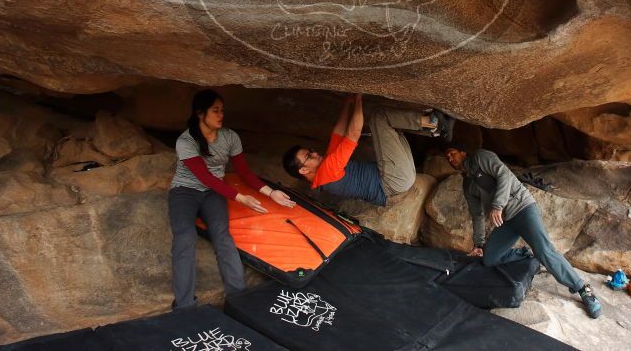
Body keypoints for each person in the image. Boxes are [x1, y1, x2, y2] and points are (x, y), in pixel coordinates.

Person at [443, 143, 602, 319]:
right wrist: (478, 243)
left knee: (545, 251)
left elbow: (504, 174)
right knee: (489, 259)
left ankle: (583, 289)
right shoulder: (467, 184)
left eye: (452, 153)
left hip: (523, 208)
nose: (450, 158)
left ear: (463, 152)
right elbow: (477, 215)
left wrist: (497, 205)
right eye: (447, 157)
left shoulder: (481, 157)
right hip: (506, 221)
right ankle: (526, 253)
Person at [169, 89, 295, 309]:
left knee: (223, 236)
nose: (221, 115)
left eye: (222, 111)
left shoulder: (230, 137)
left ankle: (238, 298)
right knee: (184, 237)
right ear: (200, 113)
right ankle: (184, 306)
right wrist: (240, 198)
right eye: (215, 111)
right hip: (184, 192)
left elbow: (244, 173)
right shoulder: (186, 141)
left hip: (213, 194)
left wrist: (270, 192)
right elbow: (205, 177)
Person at [282, 93, 454, 206]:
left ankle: (437, 128)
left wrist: (347, 104)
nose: (314, 153)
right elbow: (353, 133)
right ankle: (435, 123)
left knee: (391, 128)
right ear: (304, 169)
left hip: (396, 179)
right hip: (393, 182)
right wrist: (358, 98)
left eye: (310, 150)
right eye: (309, 155)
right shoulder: (327, 173)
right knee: (379, 117)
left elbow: (339, 133)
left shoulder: (325, 169)